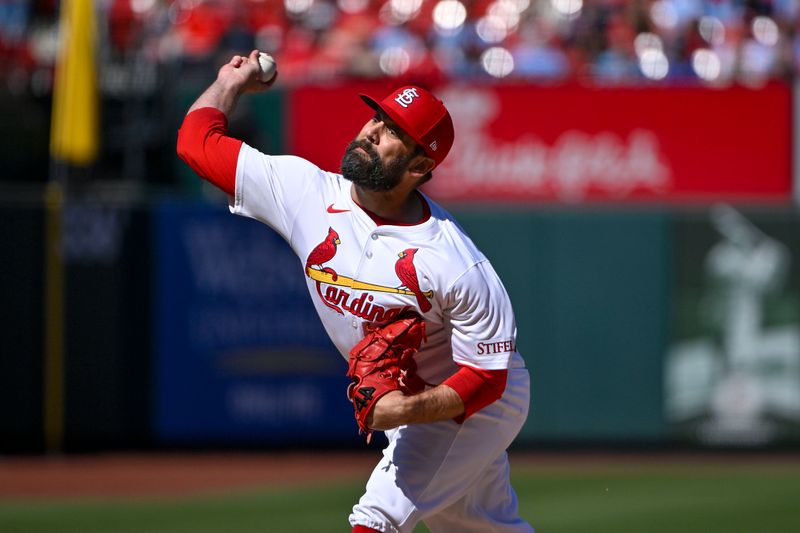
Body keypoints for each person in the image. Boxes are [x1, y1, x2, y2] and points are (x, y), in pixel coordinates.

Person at [177, 49, 533, 533]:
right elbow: (196, 143)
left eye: (392, 132)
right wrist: (229, 82)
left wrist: (407, 410)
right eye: (377, 117)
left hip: (471, 402)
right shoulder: (307, 192)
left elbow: (487, 378)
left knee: (375, 520)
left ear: (418, 165)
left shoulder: (454, 261)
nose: (371, 132)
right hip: (415, 401)